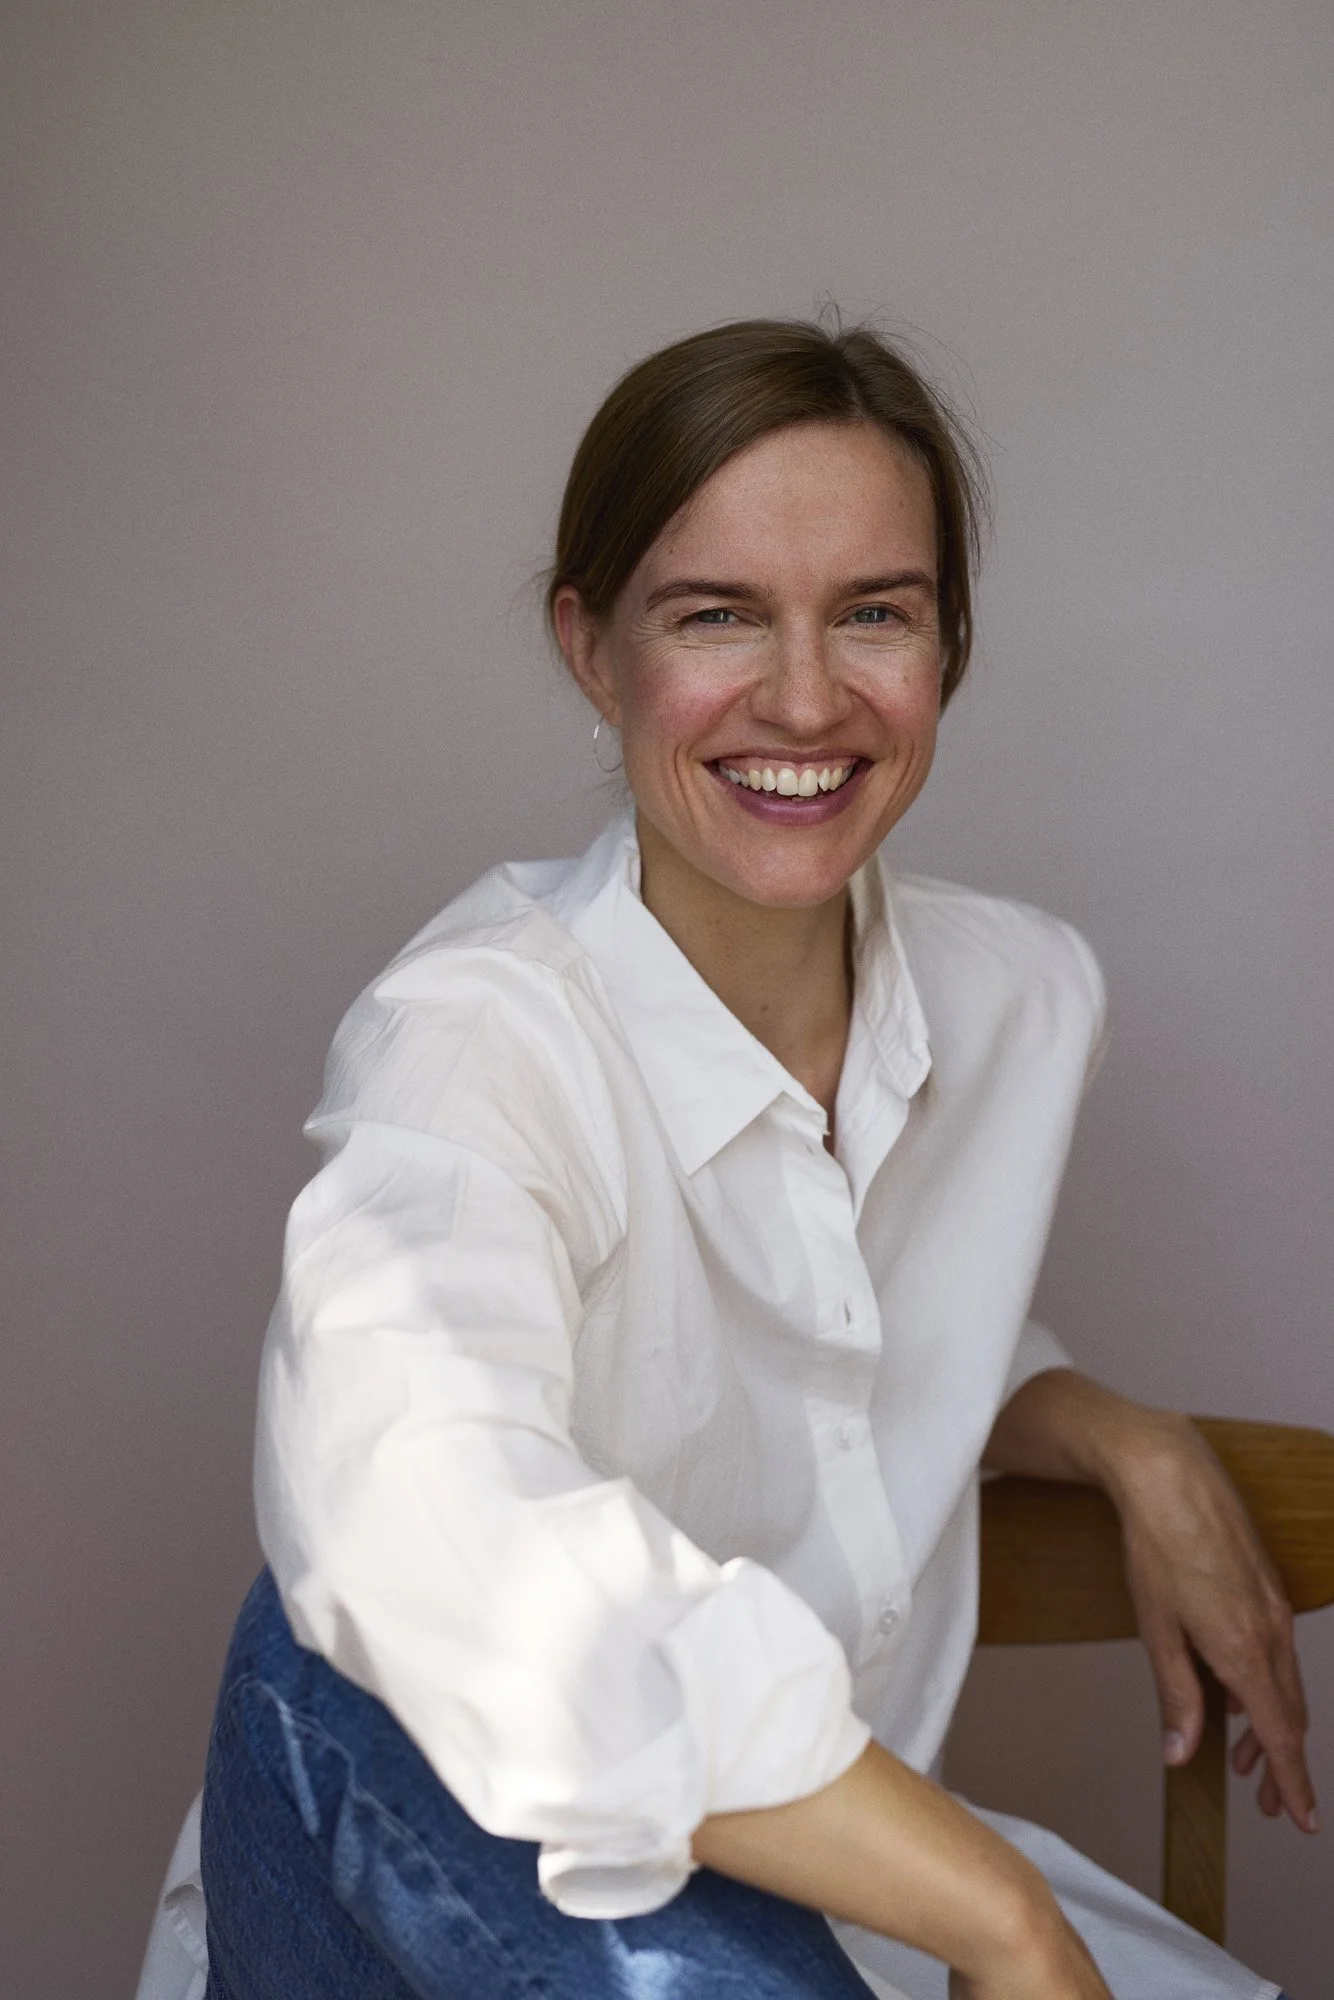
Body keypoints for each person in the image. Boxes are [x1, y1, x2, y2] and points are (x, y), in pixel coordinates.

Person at [139, 319, 1314, 2000]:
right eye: (715, 615)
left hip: (837, 1906)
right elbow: (413, 1492)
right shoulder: (473, 1039)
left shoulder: (1020, 1001)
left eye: (875, 613)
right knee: (339, 1633)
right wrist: (993, 1910)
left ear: (949, 644)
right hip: (445, 1910)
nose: (806, 698)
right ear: (590, 647)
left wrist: (1118, 1438)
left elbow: (837, 1332)